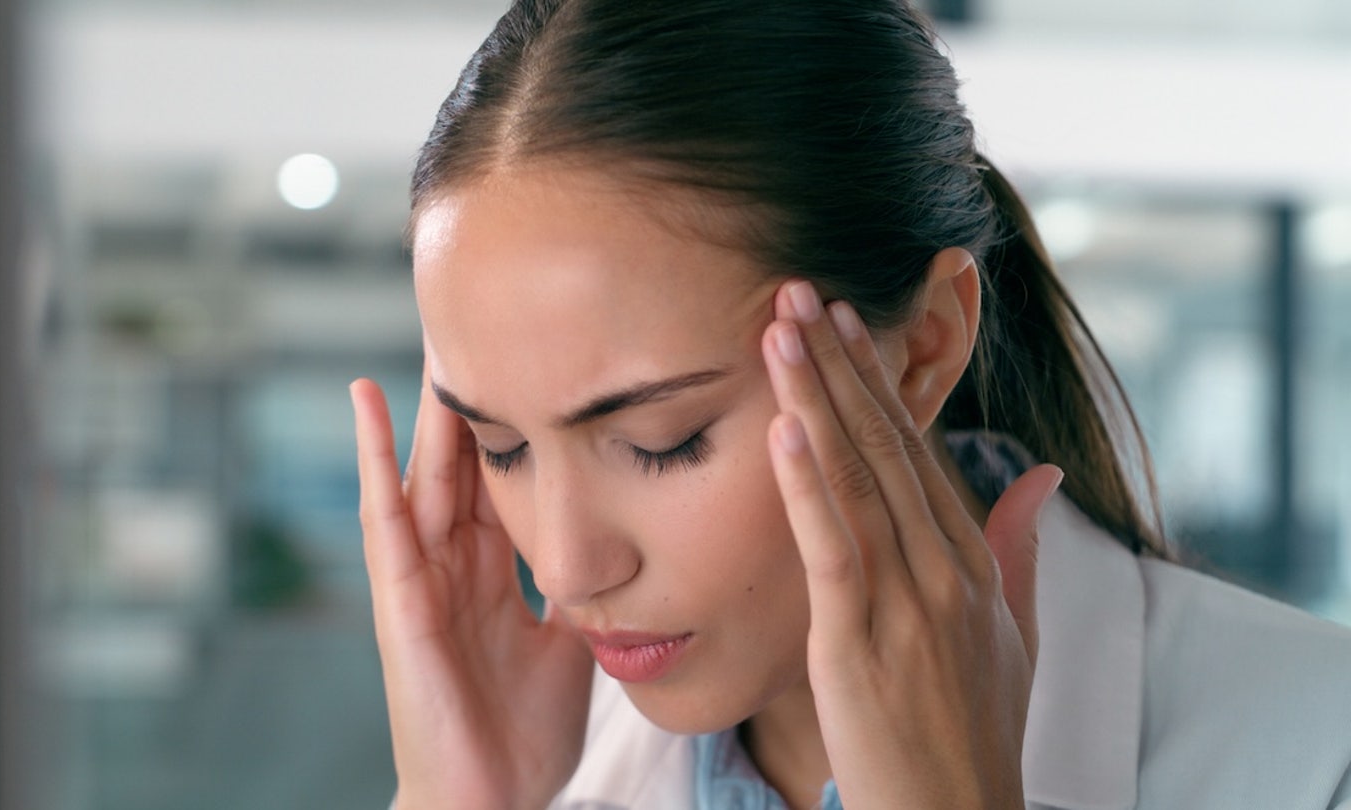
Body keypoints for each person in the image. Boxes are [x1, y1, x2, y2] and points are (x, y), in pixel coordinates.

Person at [348, 1, 1351, 807]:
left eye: (664, 441)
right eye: (502, 446)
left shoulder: (1320, 753)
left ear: (923, 348)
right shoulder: (540, 786)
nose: (562, 570)